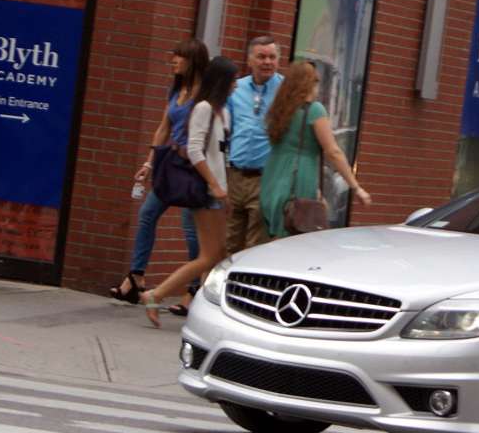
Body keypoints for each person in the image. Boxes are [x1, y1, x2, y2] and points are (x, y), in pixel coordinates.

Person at [110, 37, 208, 315]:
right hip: (170, 165)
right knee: (147, 214)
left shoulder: (206, 94)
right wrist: (149, 163)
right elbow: (163, 128)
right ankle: (136, 276)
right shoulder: (176, 88)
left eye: (178, 56)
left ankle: (192, 291)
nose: (173, 61)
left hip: (192, 168)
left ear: (192, 60)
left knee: (191, 229)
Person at [139, 56, 238, 328]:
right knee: (209, 256)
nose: (236, 86)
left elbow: (221, 154)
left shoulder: (224, 111)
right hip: (204, 191)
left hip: (217, 191)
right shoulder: (203, 108)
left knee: (218, 254)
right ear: (222, 81)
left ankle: (203, 306)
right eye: (232, 81)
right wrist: (215, 185)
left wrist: (225, 188)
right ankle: (156, 294)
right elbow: (194, 150)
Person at [258, 62, 371, 239]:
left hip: (272, 181)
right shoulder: (313, 110)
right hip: (296, 184)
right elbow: (333, 151)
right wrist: (356, 187)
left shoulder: (279, 110)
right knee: (293, 245)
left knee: (275, 242)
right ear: (310, 84)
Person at [224, 35, 284, 253]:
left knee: (255, 247)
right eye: (261, 57)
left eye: (272, 57)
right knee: (229, 244)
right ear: (249, 60)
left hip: (265, 179)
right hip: (235, 177)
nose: (267, 62)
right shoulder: (235, 89)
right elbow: (225, 132)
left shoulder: (286, 89)